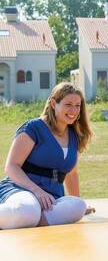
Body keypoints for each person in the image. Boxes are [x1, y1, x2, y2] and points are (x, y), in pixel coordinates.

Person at [0, 82, 94, 230]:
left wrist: (78, 204)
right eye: (68, 104)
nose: (74, 110)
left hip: (51, 197)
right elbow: (11, 166)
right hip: (21, 189)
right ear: (53, 103)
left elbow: (71, 174)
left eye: (78, 105)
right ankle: (28, 216)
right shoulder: (33, 128)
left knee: (78, 206)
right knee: (29, 209)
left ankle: (29, 219)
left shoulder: (75, 136)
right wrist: (37, 192)